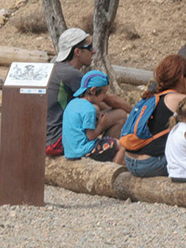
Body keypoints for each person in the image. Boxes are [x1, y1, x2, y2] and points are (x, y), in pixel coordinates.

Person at [45, 28, 130, 156]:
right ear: (77, 52)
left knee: (97, 110)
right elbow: (109, 99)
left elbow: (99, 101)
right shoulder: (72, 74)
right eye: (89, 47)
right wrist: (136, 112)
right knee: (120, 115)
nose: (93, 51)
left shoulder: (56, 69)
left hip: (46, 137)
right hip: (59, 139)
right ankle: (104, 155)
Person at [125, 54, 186, 177]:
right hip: (149, 165)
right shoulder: (180, 99)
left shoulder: (152, 96)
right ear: (182, 78)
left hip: (129, 160)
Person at [61, 71, 125, 164]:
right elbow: (90, 136)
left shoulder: (72, 103)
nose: (104, 97)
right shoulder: (89, 109)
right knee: (122, 146)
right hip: (83, 151)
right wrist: (101, 125)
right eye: (104, 93)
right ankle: (112, 168)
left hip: (70, 151)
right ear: (93, 90)